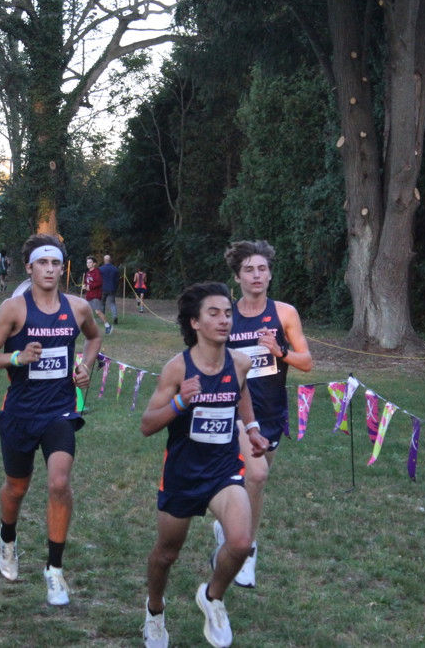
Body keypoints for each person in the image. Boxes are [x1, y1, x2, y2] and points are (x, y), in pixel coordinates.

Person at [0, 234, 102, 606]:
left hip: (60, 411)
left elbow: (93, 339)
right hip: (20, 412)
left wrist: (84, 366)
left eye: (55, 263)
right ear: (30, 268)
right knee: (17, 488)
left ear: (63, 269)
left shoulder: (78, 307)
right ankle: (7, 538)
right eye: (42, 263)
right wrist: (17, 359)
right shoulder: (13, 309)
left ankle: (55, 569)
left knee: (59, 483)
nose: (49, 269)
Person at [140, 281, 268, 648]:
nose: (224, 320)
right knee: (167, 554)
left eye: (227, 313)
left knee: (241, 543)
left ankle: (212, 597)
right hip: (182, 474)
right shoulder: (176, 369)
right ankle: (154, 610)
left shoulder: (240, 362)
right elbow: (147, 425)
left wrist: (252, 429)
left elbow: (241, 392)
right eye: (214, 313)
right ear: (195, 322)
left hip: (223, 469)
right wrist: (180, 402)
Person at [215, 240, 313, 589]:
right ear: (237, 277)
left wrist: (279, 350)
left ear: (270, 274)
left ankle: (228, 526)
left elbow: (307, 362)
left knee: (252, 483)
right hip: (235, 411)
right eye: (249, 270)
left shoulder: (284, 314)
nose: (256, 275)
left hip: (271, 412)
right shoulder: (226, 315)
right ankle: (246, 550)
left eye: (262, 269)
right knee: (256, 477)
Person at [83, 256, 111, 334]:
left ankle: (108, 326)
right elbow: (86, 282)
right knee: (87, 312)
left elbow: (99, 282)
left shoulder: (97, 272)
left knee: (98, 311)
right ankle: (88, 328)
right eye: (87, 262)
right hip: (89, 295)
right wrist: (84, 286)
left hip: (95, 295)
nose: (88, 264)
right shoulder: (88, 273)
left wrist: (90, 287)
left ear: (94, 264)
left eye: (90, 262)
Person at [99, 254, 120, 325]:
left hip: (102, 289)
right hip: (112, 288)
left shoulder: (100, 269)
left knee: (102, 303)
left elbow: (98, 280)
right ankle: (115, 316)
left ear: (104, 260)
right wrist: (115, 287)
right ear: (110, 260)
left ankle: (102, 319)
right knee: (112, 303)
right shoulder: (115, 269)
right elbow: (117, 280)